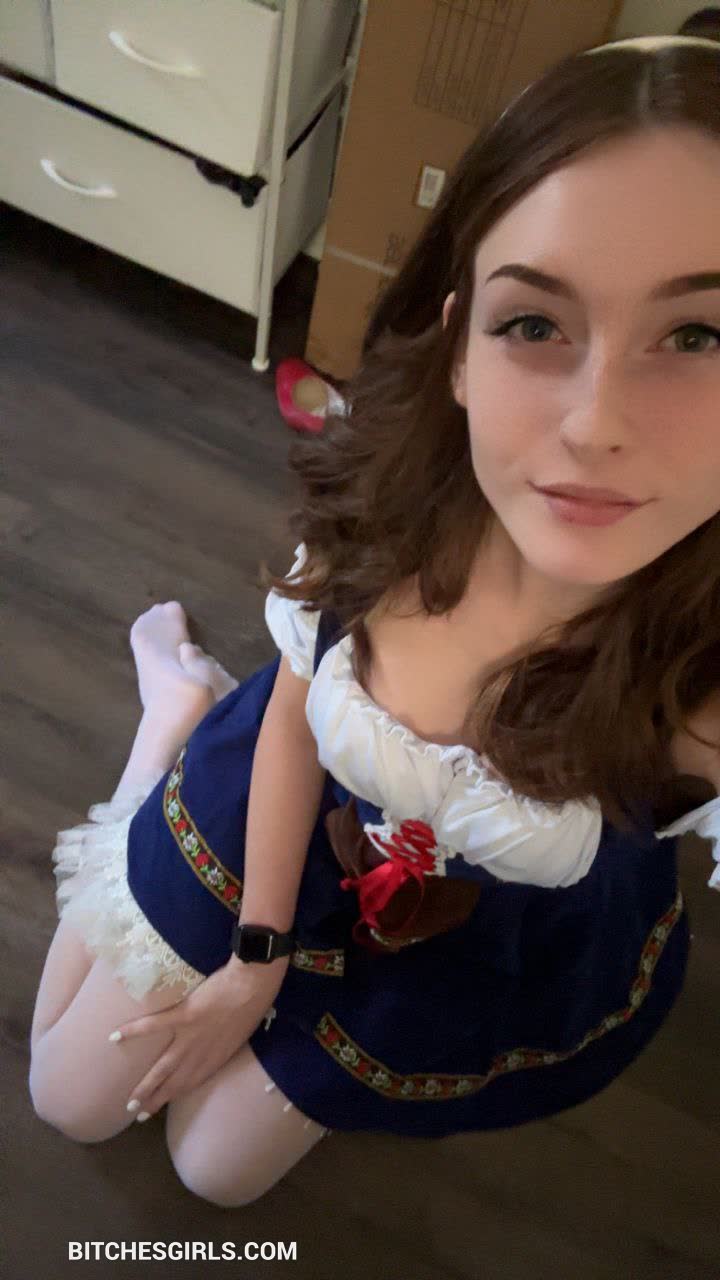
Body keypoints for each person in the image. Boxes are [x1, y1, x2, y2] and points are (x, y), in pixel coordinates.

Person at [28, 33, 720, 1209]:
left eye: (699, 335)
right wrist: (255, 959)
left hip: (480, 946)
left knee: (214, 1174)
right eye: (534, 324)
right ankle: (173, 721)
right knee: (67, 1096)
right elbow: (298, 717)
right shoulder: (391, 515)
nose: (596, 422)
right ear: (458, 349)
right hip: (275, 823)